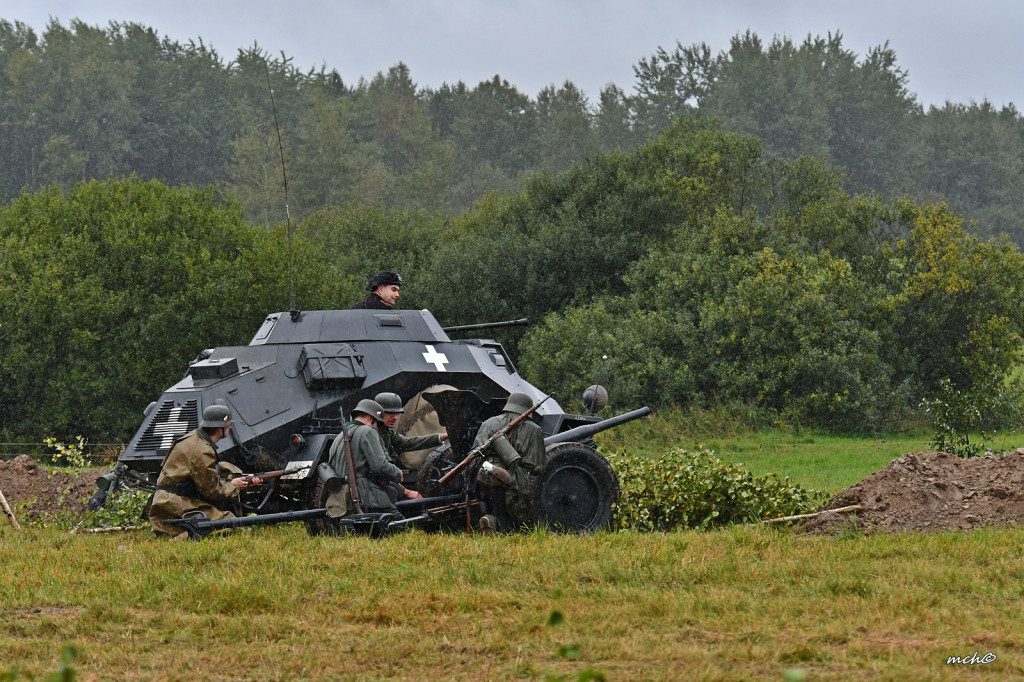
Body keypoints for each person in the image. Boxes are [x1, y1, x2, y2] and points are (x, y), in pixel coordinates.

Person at [148, 405, 262, 539]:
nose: (230, 428)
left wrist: (241, 479)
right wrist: (234, 485)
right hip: (172, 504)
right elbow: (212, 491)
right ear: (220, 429)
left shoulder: (195, 439)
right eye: (228, 425)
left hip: (168, 500)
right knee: (229, 522)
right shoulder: (202, 450)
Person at [472, 392, 547, 533]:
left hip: (485, 472)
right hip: (513, 477)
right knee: (516, 518)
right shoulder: (533, 429)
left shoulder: (488, 423)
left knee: (494, 502)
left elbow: (475, 451)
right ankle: (499, 525)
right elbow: (538, 467)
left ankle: (490, 520)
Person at [328, 398, 406, 513]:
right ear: (370, 418)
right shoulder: (367, 431)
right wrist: (397, 473)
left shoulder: (341, 435)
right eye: (377, 423)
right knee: (397, 522)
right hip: (363, 494)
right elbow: (380, 466)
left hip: (340, 497)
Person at [373, 391, 449, 500]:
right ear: (378, 413)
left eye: (397, 413)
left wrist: (442, 436)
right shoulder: (371, 434)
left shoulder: (385, 432)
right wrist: (406, 492)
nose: (395, 418)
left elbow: (409, 443)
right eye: (390, 413)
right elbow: (379, 473)